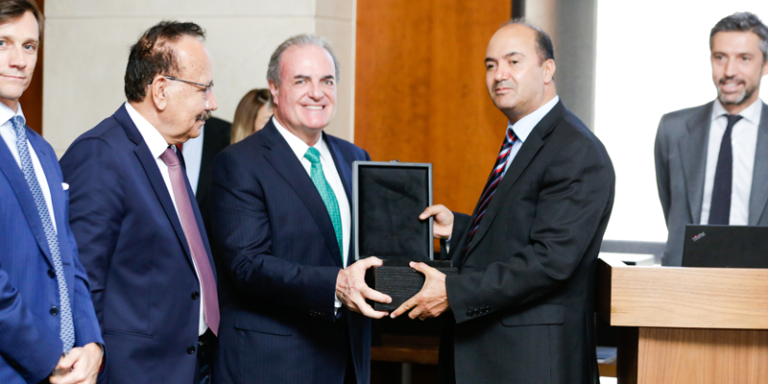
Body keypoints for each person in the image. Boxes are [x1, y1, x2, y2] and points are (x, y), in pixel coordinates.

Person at [391, 20, 615, 384]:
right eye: (491, 65)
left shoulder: (575, 150)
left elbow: (550, 261)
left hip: (530, 363)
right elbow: (518, 228)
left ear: (548, 69)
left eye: (513, 62)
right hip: (493, 355)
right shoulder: (522, 139)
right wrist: (459, 228)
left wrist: (453, 292)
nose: (499, 75)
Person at [211, 34, 390, 384]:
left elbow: (369, 249)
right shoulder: (239, 163)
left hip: (348, 360)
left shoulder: (355, 158)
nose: (317, 92)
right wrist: (335, 285)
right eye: (301, 81)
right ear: (275, 89)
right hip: (273, 364)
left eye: (327, 81)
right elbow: (247, 265)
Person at [60, 21, 220, 384]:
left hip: (191, 366)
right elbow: (79, 280)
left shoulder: (168, 155)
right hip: (133, 372)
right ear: (161, 90)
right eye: (204, 89)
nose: (212, 103)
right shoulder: (101, 155)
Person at [0, 1, 104, 383]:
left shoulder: (41, 151)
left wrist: (91, 343)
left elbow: (67, 258)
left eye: (29, 46)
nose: (19, 60)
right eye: (2, 43)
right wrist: (49, 360)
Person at [655, 12, 768, 266]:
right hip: (686, 280)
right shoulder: (673, 129)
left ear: (765, 65)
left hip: (760, 287)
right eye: (720, 58)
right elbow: (671, 207)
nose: (729, 71)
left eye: (744, 59)